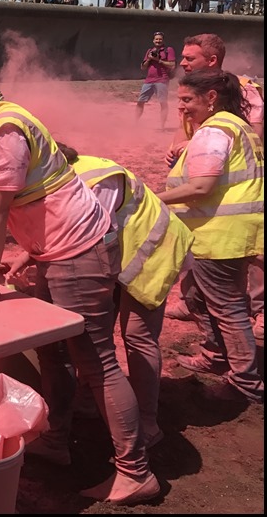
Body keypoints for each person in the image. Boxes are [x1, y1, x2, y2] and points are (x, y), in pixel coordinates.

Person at [0, 59, 160, 506]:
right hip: (49, 251)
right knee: (52, 350)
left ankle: (136, 472)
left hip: (78, 250)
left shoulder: (6, 136)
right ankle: (55, 440)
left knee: (95, 360)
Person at [12, 143, 194, 450]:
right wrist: (29, 255)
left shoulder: (93, 181)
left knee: (137, 336)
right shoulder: (58, 178)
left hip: (151, 251)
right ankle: (89, 402)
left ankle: (147, 424)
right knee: (93, 335)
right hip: (113, 253)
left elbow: (82, 238)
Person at [156, 71, 263, 404]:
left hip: (220, 235)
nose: (181, 107)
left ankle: (245, 383)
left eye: (187, 99)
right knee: (197, 297)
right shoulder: (236, 125)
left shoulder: (214, 131)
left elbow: (202, 186)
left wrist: (152, 199)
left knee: (228, 308)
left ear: (211, 97)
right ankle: (215, 356)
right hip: (225, 232)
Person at [165, 34, 264, 339]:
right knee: (201, 237)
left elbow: (252, 133)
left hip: (236, 181)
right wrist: (176, 149)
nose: (183, 63)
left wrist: (203, 146)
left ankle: (260, 310)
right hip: (206, 175)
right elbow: (185, 128)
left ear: (211, 60)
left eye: (189, 58)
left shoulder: (243, 89)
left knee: (252, 251)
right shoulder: (190, 91)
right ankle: (193, 300)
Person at [135, 31, 176, 128]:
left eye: (160, 39)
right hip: (149, 80)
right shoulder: (150, 51)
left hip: (162, 80)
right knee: (140, 101)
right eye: (156, 39)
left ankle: (162, 126)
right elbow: (143, 67)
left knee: (163, 103)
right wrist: (149, 59)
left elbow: (172, 65)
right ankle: (135, 123)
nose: (158, 41)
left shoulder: (168, 50)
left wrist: (159, 60)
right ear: (153, 41)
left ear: (163, 40)